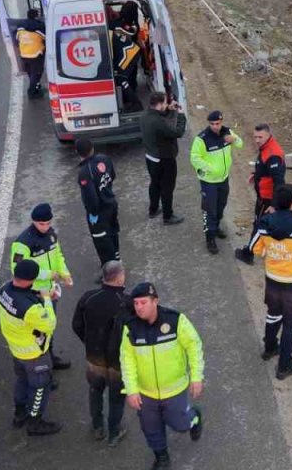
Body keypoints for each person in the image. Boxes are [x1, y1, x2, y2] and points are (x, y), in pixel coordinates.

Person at [121, 282, 204, 469]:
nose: (139, 308)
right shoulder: (131, 328)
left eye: (143, 303)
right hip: (146, 393)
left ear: (155, 301)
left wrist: (196, 376)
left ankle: (194, 417)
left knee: (181, 425)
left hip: (174, 389)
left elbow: (193, 345)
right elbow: (127, 360)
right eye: (135, 304)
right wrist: (132, 390)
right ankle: (162, 457)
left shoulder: (176, 321)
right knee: (151, 429)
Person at [248, 184, 292, 380]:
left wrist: (269, 252)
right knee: (290, 325)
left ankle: (270, 348)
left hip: (272, 280)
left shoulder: (264, 223)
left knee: (273, 315)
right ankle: (284, 366)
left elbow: (253, 247)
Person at [0, 260, 62, 436]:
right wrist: (47, 298)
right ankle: (35, 422)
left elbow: (20, 295)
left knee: (22, 381)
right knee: (40, 387)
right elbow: (50, 324)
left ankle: (19, 414)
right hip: (34, 354)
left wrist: (36, 294)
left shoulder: (3, 290)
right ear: (31, 279)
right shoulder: (31, 309)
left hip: (16, 350)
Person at [72, 261, 131, 447]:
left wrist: (89, 343)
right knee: (116, 398)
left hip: (95, 358)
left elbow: (77, 325)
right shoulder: (127, 303)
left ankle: (97, 426)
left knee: (95, 390)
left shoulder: (89, 297)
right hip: (118, 362)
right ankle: (114, 432)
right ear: (120, 277)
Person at [10, 203, 73, 370]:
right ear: (33, 221)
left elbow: (58, 255)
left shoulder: (51, 235)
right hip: (34, 294)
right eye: (41, 224)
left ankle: (50, 358)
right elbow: (18, 269)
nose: (45, 227)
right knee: (38, 332)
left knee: (49, 328)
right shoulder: (23, 243)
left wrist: (64, 273)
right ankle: (42, 367)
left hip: (50, 292)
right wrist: (48, 275)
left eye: (48, 223)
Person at [191, 110, 244, 254]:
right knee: (210, 210)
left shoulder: (227, 132)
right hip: (209, 181)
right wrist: (210, 169)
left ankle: (217, 226)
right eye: (212, 124)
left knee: (221, 204)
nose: (215, 126)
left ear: (222, 122)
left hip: (223, 179)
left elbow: (240, 144)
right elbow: (195, 158)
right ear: (209, 123)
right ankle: (210, 238)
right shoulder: (202, 139)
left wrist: (234, 140)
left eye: (218, 123)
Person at [235, 123, 284, 264]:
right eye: (255, 137)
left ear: (269, 135)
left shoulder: (273, 154)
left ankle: (248, 253)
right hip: (265, 197)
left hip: (267, 199)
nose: (257, 140)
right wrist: (256, 175)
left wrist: (274, 205)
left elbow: (279, 182)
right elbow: (265, 168)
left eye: (260, 137)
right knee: (269, 225)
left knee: (259, 226)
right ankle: (272, 251)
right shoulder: (266, 147)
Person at [140, 92, 187, 226]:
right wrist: (181, 114)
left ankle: (153, 209)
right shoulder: (158, 122)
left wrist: (168, 109)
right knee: (167, 187)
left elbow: (160, 117)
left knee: (154, 184)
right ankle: (168, 216)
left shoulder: (144, 116)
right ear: (159, 104)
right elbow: (177, 132)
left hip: (150, 157)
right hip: (164, 159)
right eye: (165, 103)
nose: (167, 104)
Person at [76, 138, 120, 270]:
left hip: (100, 213)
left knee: (102, 241)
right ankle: (117, 259)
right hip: (111, 204)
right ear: (92, 148)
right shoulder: (104, 158)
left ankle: (111, 271)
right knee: (113, 233)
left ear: (78, 153)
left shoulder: (84, 172)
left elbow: (91, 198)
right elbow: (112, 176)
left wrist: (93, 214)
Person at [16, 8, 46, 98]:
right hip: (35, 54)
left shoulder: (20, 26)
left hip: (24, 53)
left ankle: (36, 87)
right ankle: (32, 93)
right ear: (36, 16)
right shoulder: (39, 26)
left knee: (31, 73)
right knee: (37, 73)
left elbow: (16, 38)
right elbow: (46, 38)